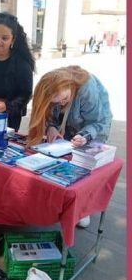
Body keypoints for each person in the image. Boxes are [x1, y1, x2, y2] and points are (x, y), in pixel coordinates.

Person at [27, 65, 112, 229]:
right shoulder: (53, 85)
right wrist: (51, 127)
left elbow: (98, 121)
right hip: (69, 126)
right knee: (65, 165)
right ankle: (65, 202)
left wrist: (85, 135)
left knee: (85, 167)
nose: (62, 103)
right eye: (57, 102)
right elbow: (49, 112)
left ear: (68, 85)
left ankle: (83, 208)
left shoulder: (87, 88)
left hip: (94, 127)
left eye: (64, 99)